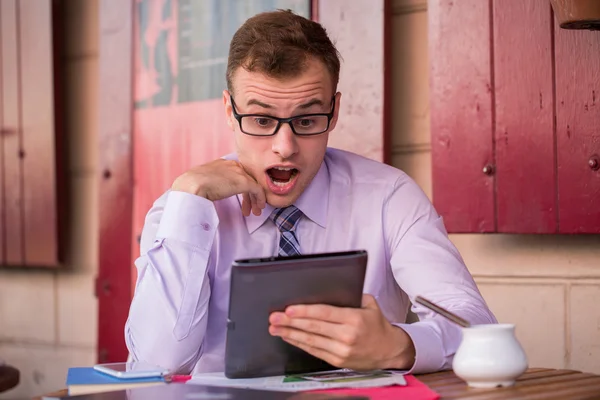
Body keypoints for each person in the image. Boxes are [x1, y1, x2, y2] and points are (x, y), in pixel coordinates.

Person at [125, 9, 496, 375]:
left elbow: (474, 326)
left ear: (334, 112)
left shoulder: (390, 197)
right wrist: (188, 198)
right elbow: (157, 363)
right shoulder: (182, 209)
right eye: (261, 120)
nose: (284, 147)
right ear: (229, 110)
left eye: (306, 120)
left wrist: (399, 345)